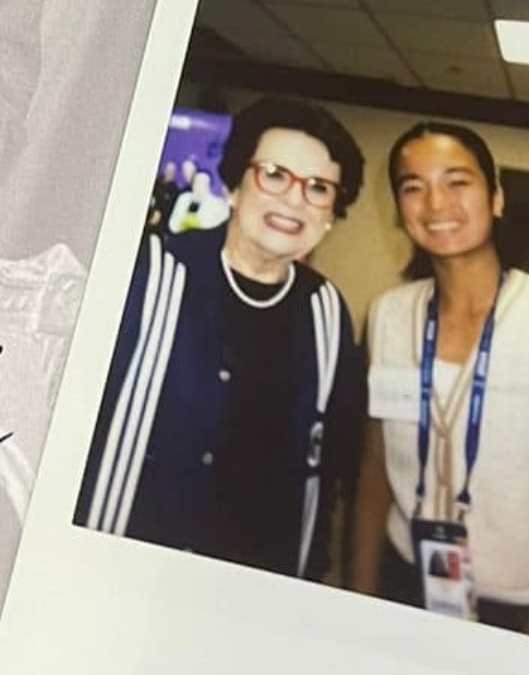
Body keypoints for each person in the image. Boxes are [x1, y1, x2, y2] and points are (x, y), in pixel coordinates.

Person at [349, 121, 529, 645]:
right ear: (399, 209)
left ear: (496, 197)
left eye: (457, 182)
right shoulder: (386, 316)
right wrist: (359, 609)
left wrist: (520, 674)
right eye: (413, 186)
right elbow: (374, 477)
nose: (436, 203)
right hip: (404, 579)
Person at [75, 97, 366, 580]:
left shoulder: (327, 312)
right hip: (117, 571)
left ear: (332, 213)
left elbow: (329, 467)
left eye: (318, 188)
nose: (294, 200)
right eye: (274, 174)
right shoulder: (146, 273)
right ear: (233, 184)